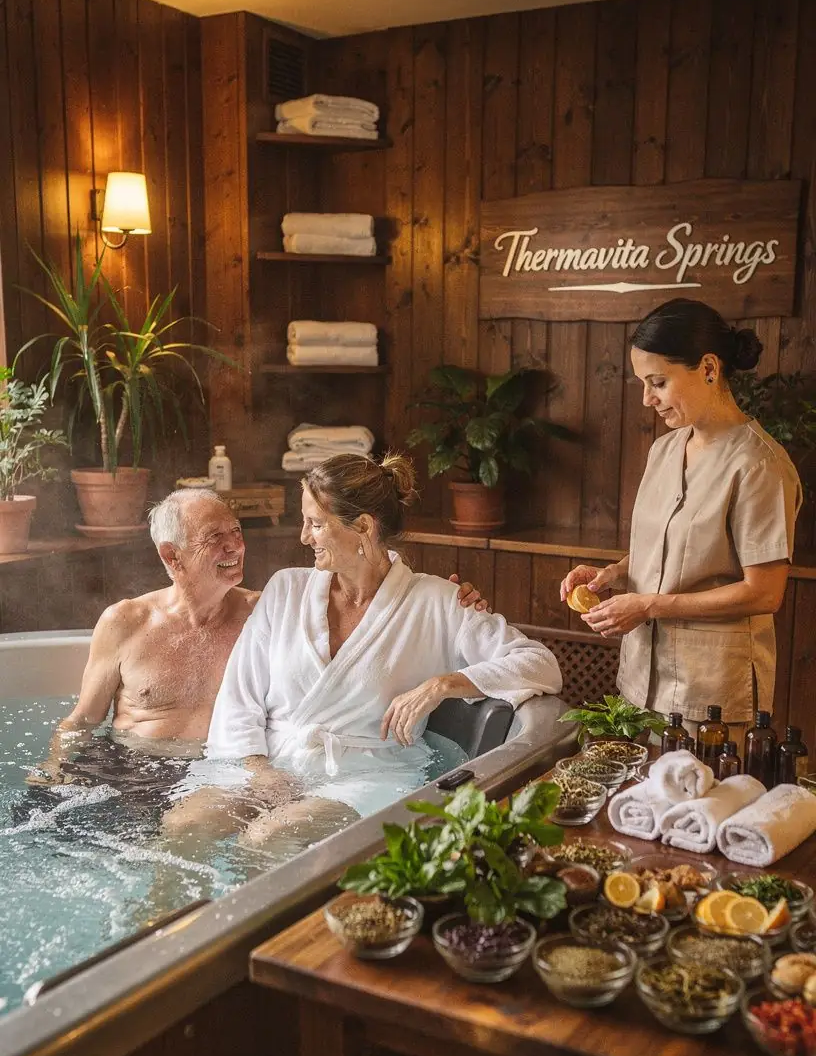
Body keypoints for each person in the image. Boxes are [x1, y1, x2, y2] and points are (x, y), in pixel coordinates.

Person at [33, 487, 490, 821]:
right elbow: (82, 721)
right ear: (172, 557)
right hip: (129, 767)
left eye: (237, 531)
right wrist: (52, 771)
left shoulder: (267, 614)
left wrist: (452, 603)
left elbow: (371, 626)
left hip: (212, 768)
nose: (236, 546)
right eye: (215, 538)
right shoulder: (126, 622)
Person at [205, 452, 562, 829]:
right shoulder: (286, 589)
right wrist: (260, 772)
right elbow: (237, 699)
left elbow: (540, 664)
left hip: (365, 777)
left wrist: (443, 684)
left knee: (266, 835)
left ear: (362, 526)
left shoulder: (437, 602)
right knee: (187, 826)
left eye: (316, 524)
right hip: (271, 763)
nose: (304, 536)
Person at [561, 299, 802, 752]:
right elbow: (669, 549)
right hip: (641, 678)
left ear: (709, 368)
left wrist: (649, 606)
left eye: (658, 383)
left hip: (709, 694)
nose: (647, 399)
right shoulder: (665, 450)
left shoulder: (759, 466)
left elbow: (764, 592)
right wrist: (610, 575)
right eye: (643, 384)